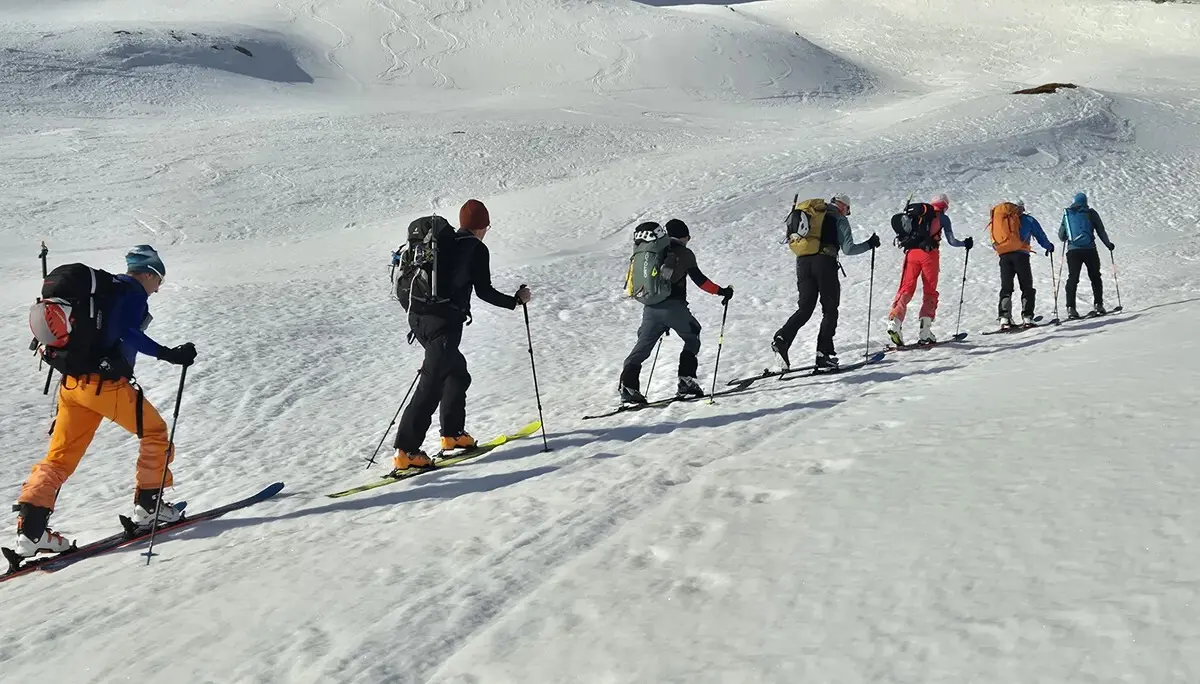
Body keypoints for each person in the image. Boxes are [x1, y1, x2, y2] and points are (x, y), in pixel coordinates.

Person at [14, 245, 197, 558]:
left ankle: (31, 533)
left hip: (72, 386)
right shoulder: (132, 292)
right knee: (155, 433)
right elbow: (128, 332)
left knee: (58, 459)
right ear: (150, 273)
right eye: (158, 281)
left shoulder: (104, 290)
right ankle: (149, 508)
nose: (157, 288)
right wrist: (169, 354)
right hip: (104, 387)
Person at [392, 199, 532, 471]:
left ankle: (453, 436)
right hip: (442, 326)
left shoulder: (444, 246)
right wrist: (516, 301)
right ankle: (407, 451)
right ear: (483, 226)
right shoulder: (475, 248)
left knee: (457, 373)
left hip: (418, 318)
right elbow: (484, 291)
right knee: (431, 385)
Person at [618, 218, 733, 404]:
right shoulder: (683, 253)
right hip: (673, 307)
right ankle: (686, 382)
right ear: (684, 236)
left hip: (650, 308)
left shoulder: (652, 252)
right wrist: (723, 292)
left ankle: (628, 387)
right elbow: (701, 281)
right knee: (692, 335)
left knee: (643, 346)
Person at [771, 194, 879, 370]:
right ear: (843, 206)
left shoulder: (813, 214)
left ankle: (782, 339)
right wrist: (869, 244)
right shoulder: (839, 219)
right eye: (848, 209)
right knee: (830, 309)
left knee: (805, 309)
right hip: (825, 263)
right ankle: (823, 354)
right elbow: (849, 249)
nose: (847, 213)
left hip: (803, 262)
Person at [886, 193, 973, 345]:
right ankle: (925, 331)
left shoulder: (918, 215)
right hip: (930, 255)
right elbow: (952, 241)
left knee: (906, 289)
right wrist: (965, 243)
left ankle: (895, 322)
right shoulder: (942, 218)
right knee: (930, 291)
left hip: (911, 253)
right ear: (945, 206)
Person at [987, 200, 1055, 327]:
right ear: (1021, 208)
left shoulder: (1000, 219)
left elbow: (994, 240)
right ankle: (1027, 317)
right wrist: (1049, 246)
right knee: (1026, 286)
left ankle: (1004, 318)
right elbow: (1040, 235)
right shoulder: (1027, 220)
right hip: (1021, 256)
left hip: (1004, 255)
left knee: (1006, 287)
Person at [1058, 192, 1114, 318]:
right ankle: (1098, 305)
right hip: (1090, 250)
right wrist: (1108, 244)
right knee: (1095, 277)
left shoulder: (1068, 214)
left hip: (1073, 251)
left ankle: (1070, 308)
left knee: (1073, 278)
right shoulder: (1091, 213)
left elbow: (1061, 236)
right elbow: (1101, 230)